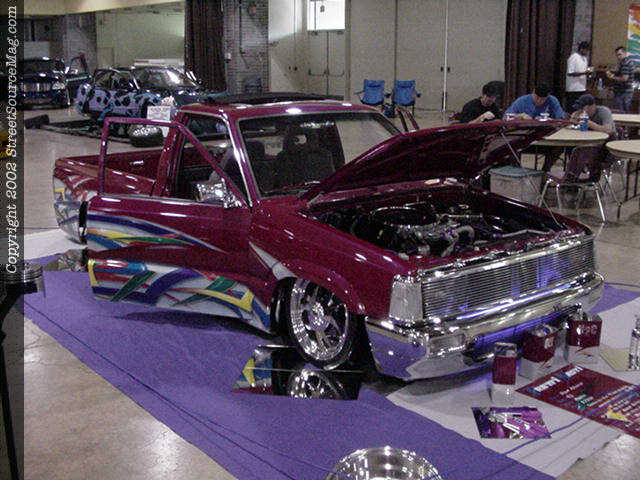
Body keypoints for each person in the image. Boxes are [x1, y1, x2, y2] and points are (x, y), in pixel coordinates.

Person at [504, 85, 566, 172]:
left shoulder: (552, 101)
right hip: (524, 140)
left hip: (545, 140)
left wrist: (548, 120)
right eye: (537, 98)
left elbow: (561, 120)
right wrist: (519, 116)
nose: (539, 101)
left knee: (559, 146)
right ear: (533, 93)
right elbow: (506, 118)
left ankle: (545, 171)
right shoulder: (522, 101)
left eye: (543, 99)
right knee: (510, 146)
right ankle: (517, 172)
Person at [566, 93, 617, 182]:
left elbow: (608, 130)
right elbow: (571, 126)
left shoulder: (603, 111)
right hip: (588, 143)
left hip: (605, 147)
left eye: (583, 109)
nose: (581, 111)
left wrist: (590, 124)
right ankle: (573, 177)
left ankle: (580, 178)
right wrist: (573, 120)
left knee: (580, 151)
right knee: (571, 148)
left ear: (592, 106)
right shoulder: (582, 114)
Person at [565, 41, 593, 113]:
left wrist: (588, 74)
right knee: (572, 109)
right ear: (581, 49)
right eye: (586, 50)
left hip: (582, 87)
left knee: (580, 109)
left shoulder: (584, 59)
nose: (587, 52)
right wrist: (584, 73)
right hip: (573, 88)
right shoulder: (573, 57)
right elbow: (570, 73)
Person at [606, 46, 634, 112]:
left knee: (621, 112)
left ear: (625, 53)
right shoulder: (628, 61)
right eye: (617, 55)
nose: (618, 57)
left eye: (620, 54)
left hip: (624, 92)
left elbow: (624, 78)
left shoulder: (625, 63)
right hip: (624, 91)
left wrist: (612, 77)